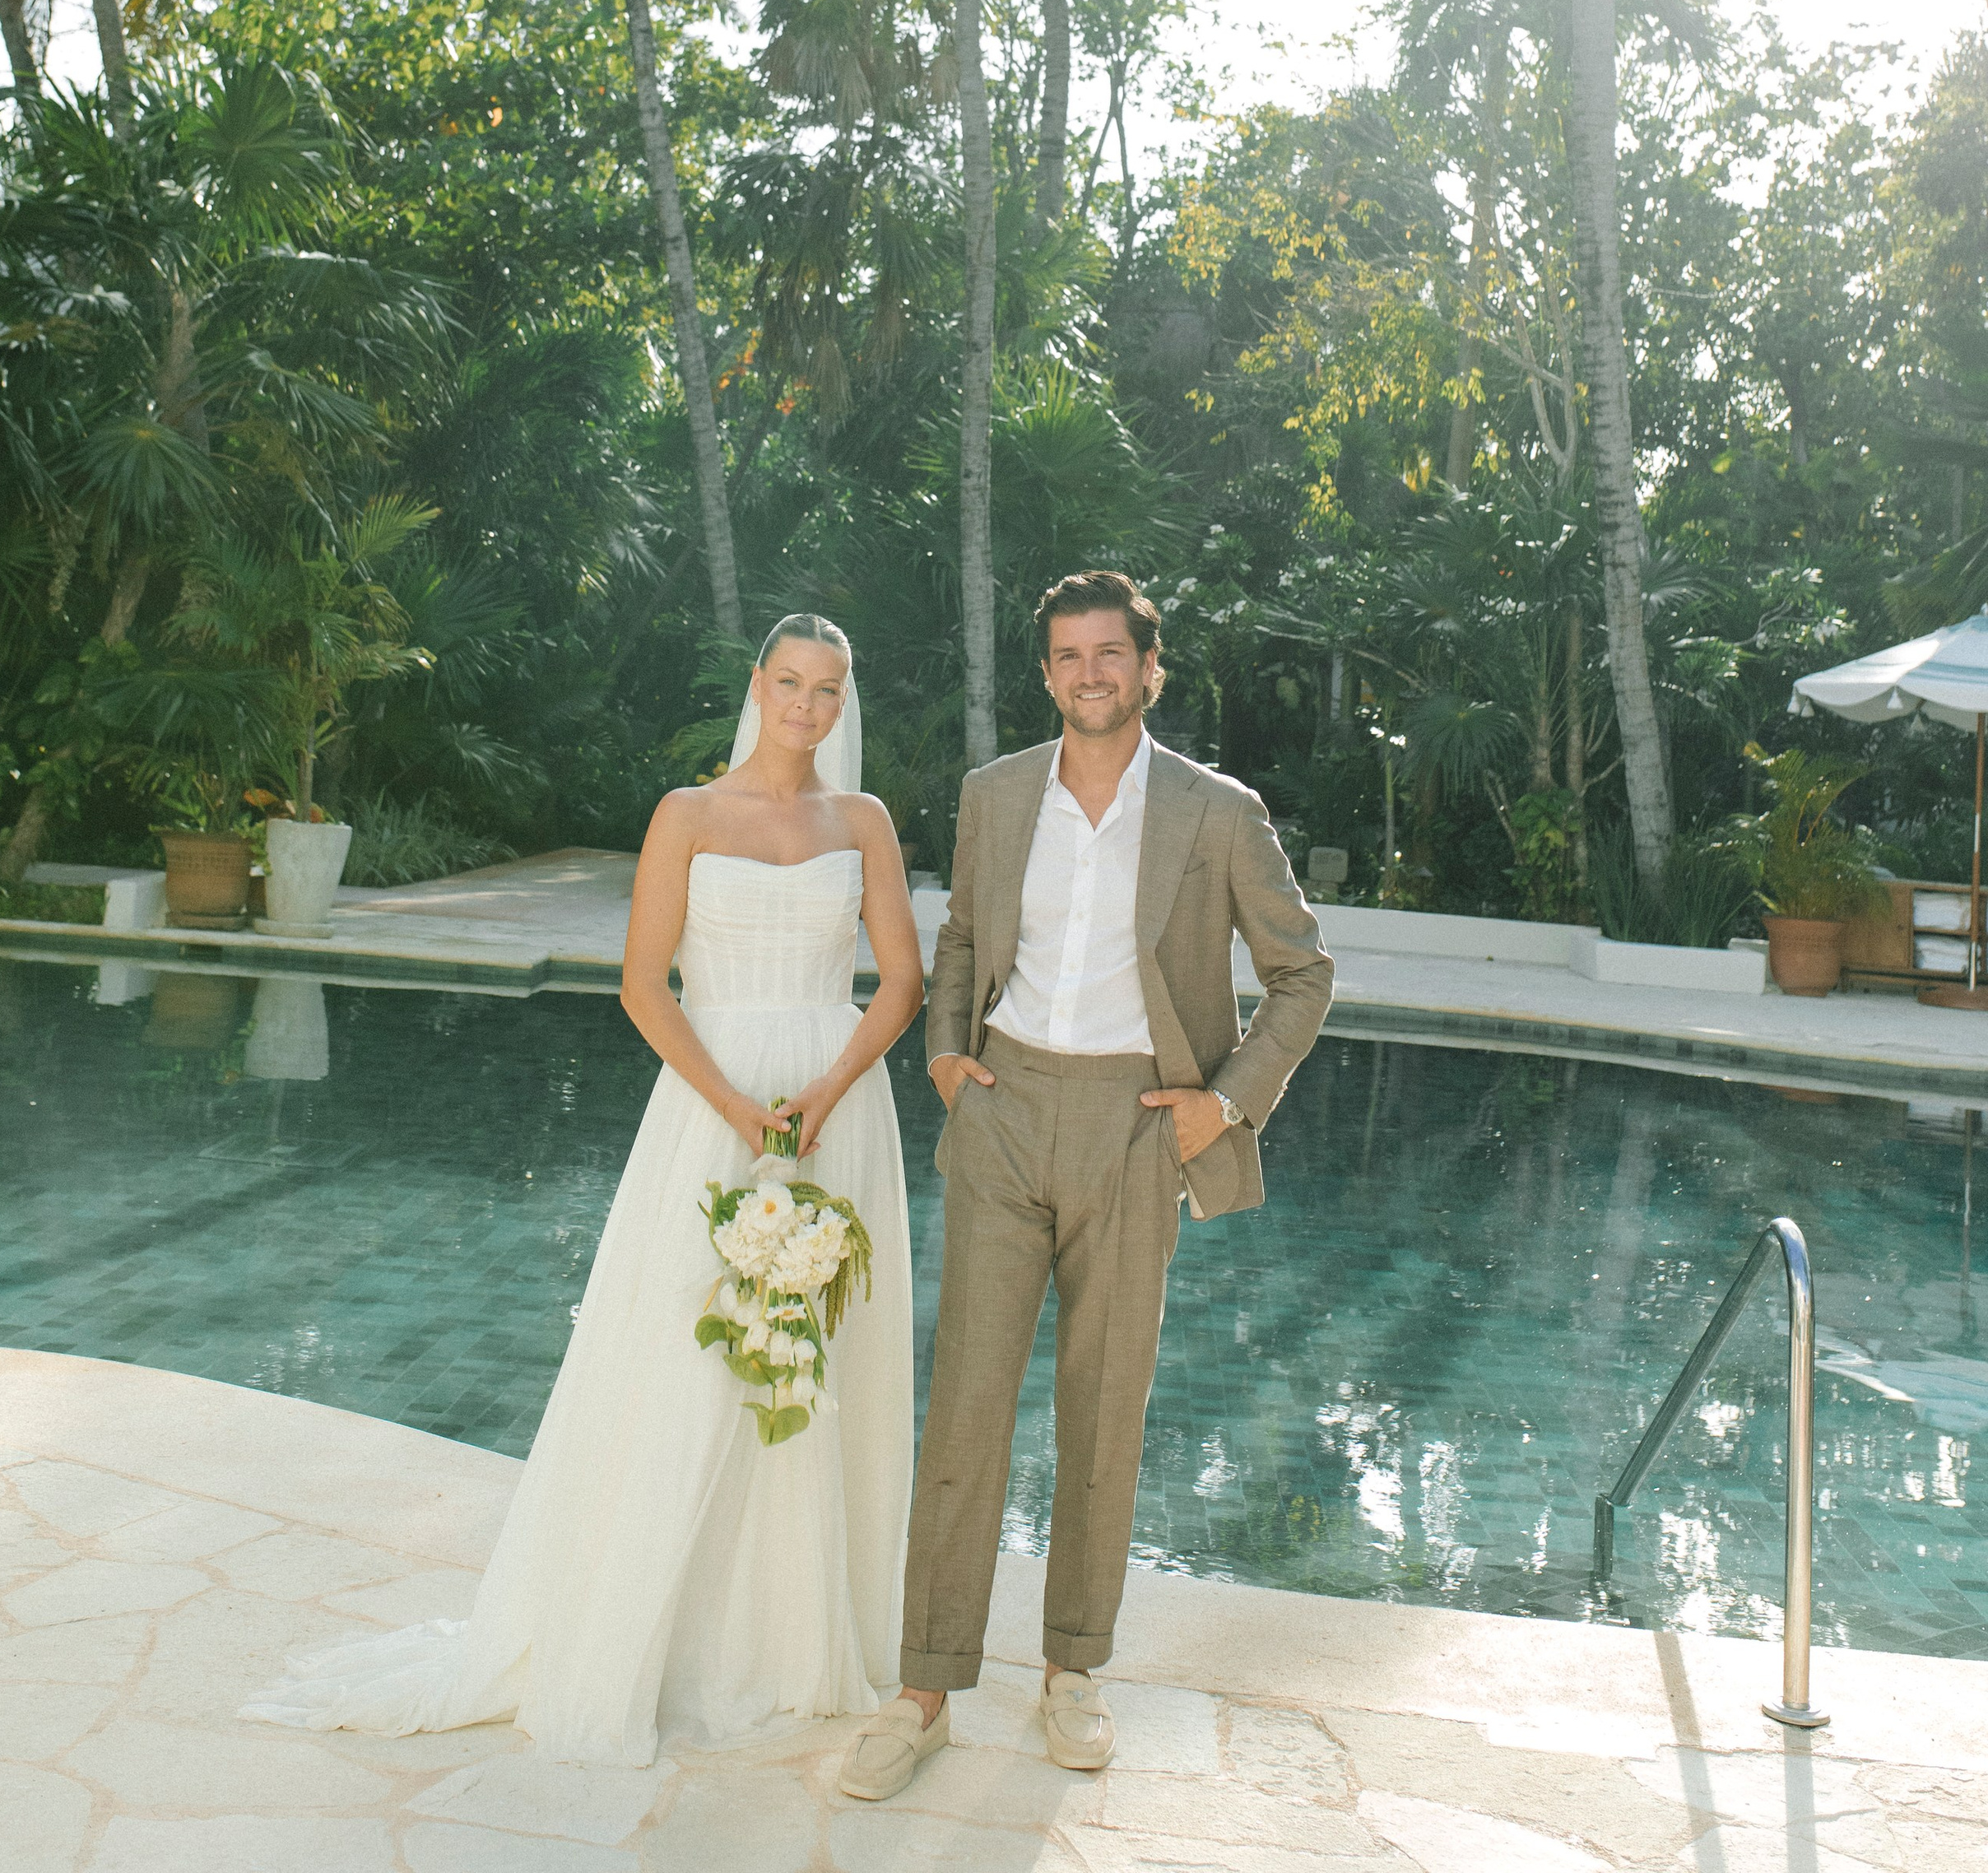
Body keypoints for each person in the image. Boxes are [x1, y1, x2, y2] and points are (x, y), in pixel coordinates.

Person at [244, 613, 922, 1767]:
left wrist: (825, 1090)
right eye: (792, 683)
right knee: (687, 1358)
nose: (808, 706)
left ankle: (798, 1638)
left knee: (821, 1357)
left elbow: (901, 980)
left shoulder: (863, 824)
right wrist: (736, 1105)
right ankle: (643, 1625)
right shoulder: (686, 815)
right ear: (758, 687)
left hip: (838, 1110)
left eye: (829, 689)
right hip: (712, 1115)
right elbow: (644, 986)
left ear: (845, 702)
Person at [841, 568, 1333, 1804]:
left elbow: (1304, 973)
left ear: (1149, 667)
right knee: (967, 1406)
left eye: (1110, 653)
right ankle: (925, 1690)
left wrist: (1225, 1103)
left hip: (1134, 1122)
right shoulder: (997, 795)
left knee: (1103, 1411)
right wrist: (950, 1055)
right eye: (1067, 656)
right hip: (1003, 1112)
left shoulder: (1219, 814)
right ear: (1048, 673)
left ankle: (1071, 1673)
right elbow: (958, 940)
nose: (1089, 674)